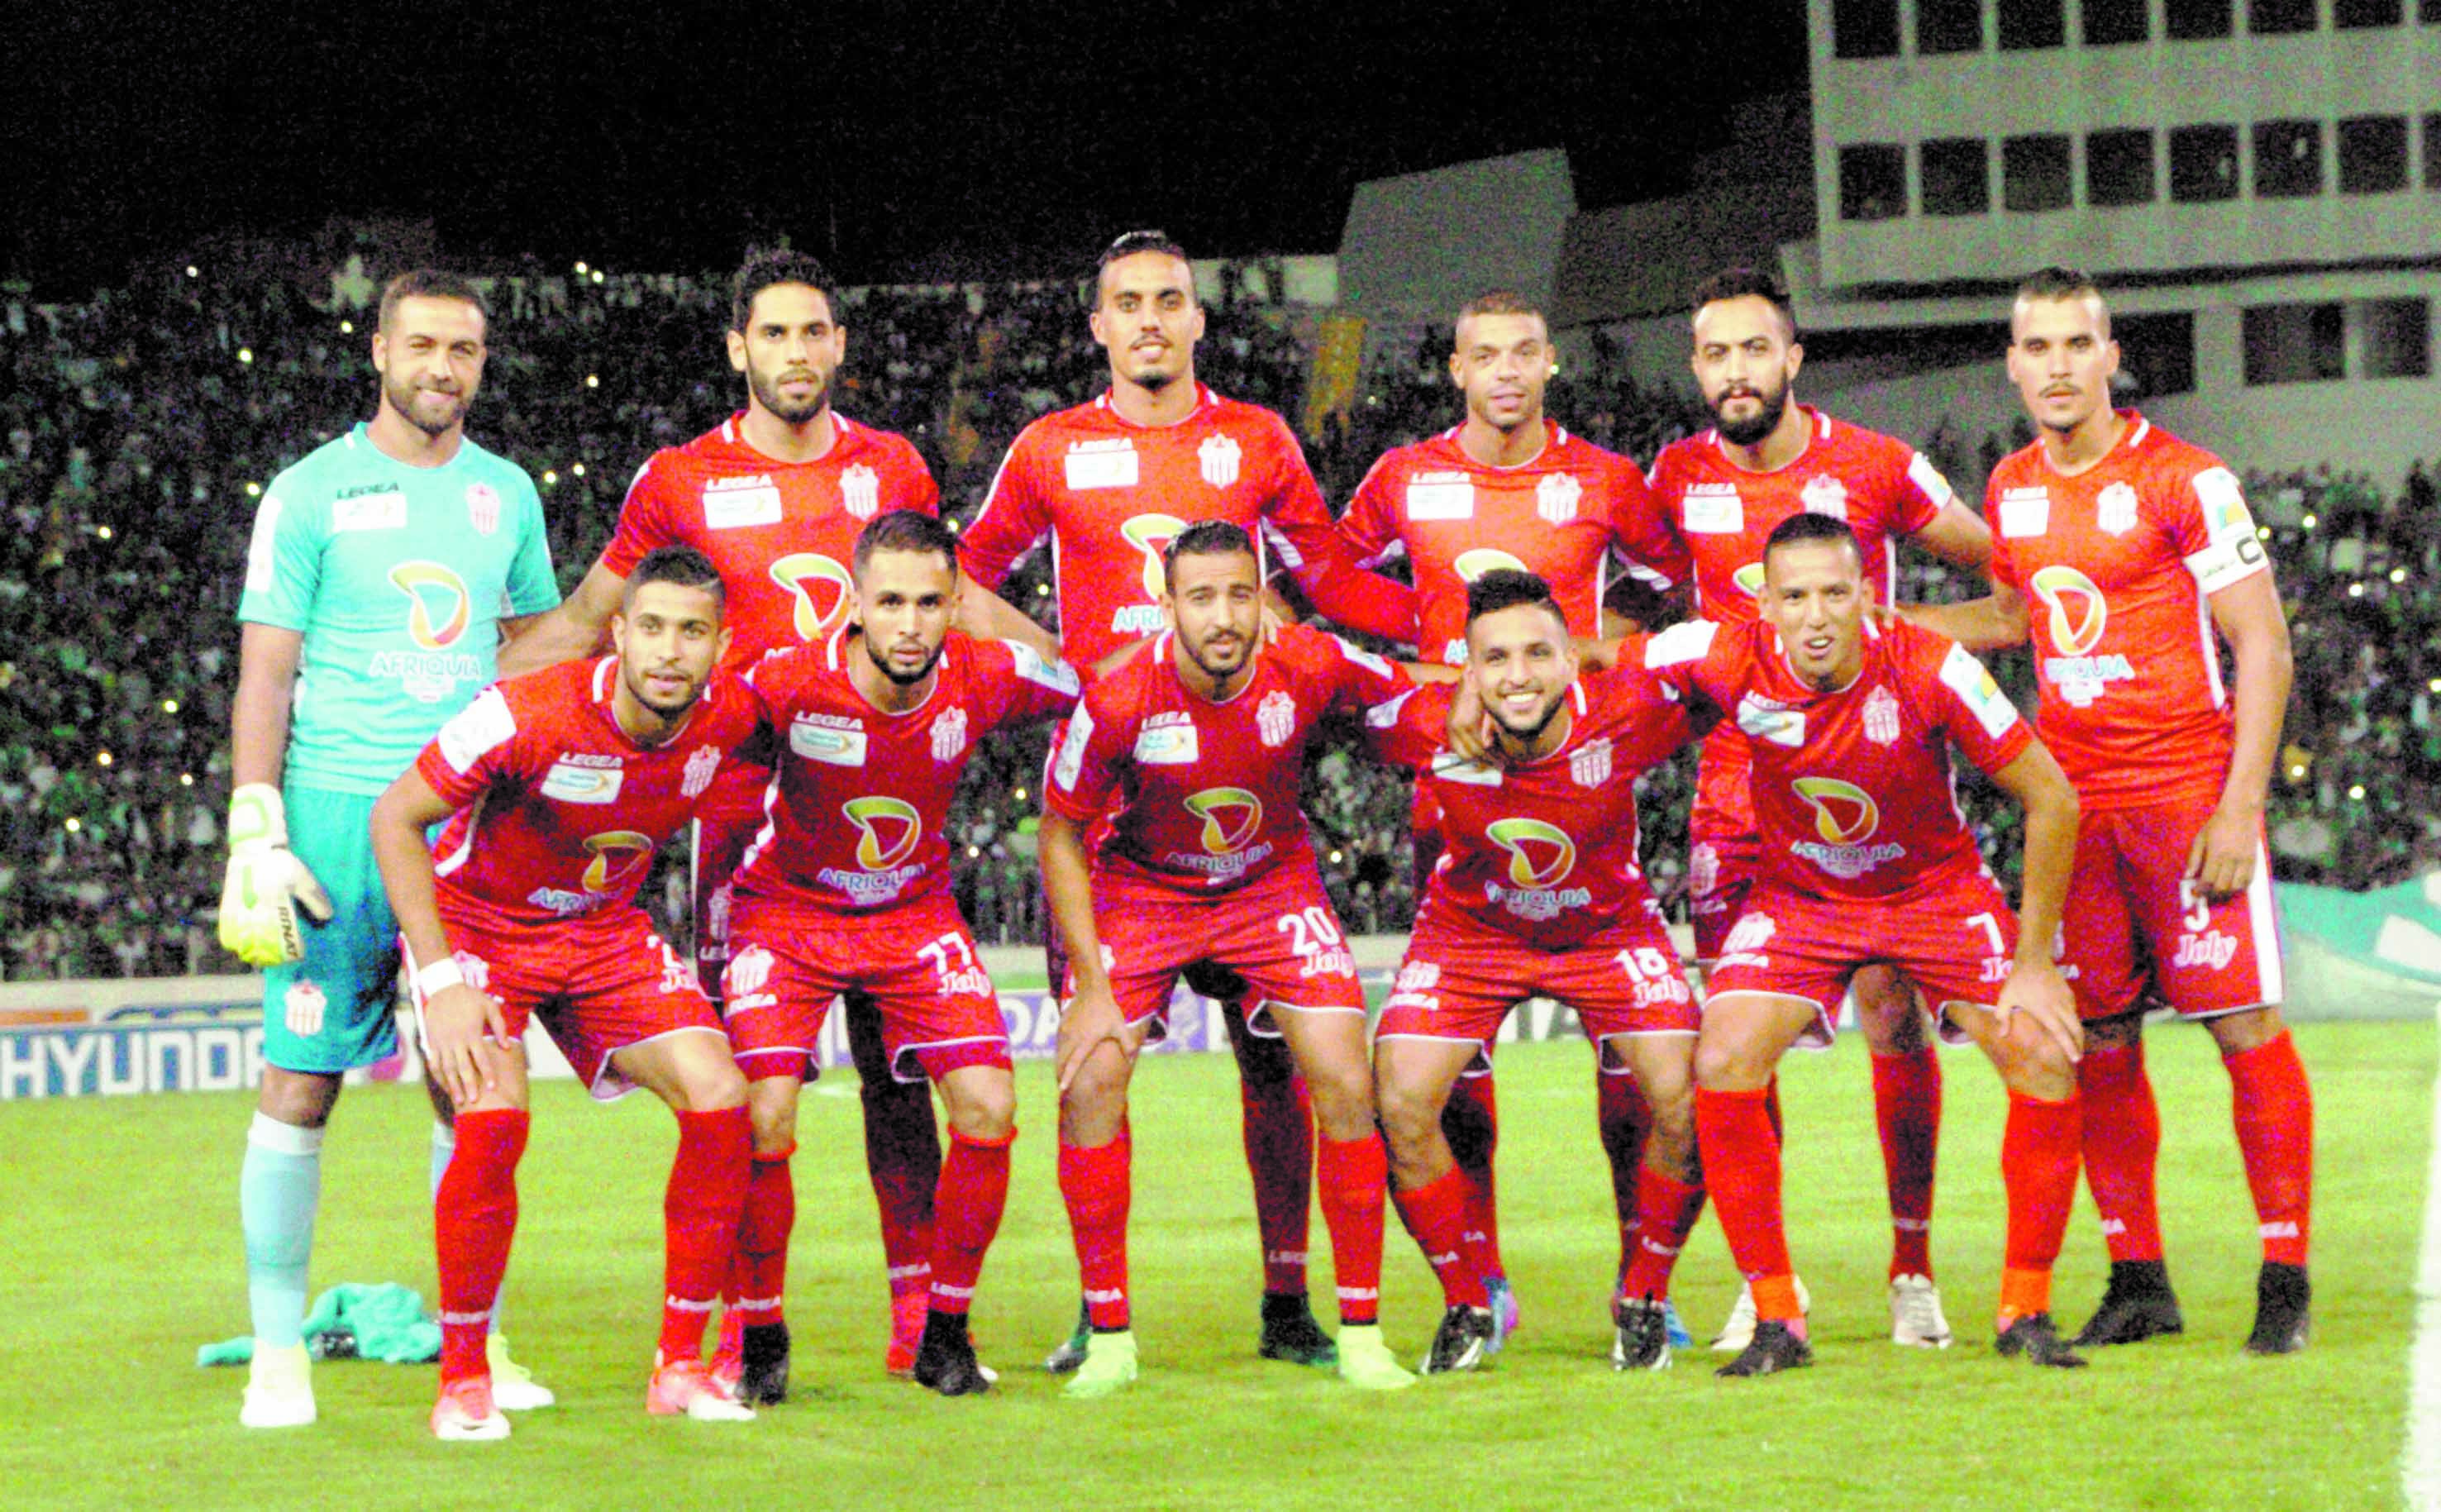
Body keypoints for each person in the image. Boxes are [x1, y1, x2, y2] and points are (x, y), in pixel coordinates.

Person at [498, 249, 1039, 1377]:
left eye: (814, 332)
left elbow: (948, 593)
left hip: (875, 797)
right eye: (774, 335)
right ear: (739, 349)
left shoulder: (889, 464)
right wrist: (471, 679)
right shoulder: (680, 479)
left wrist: (1060, 656)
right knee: (755, 1097)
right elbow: (599, 620)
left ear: (838, 344)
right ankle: (753, 1331)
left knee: (904, 1080)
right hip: (740, 819)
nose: (797, 352)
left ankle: (918, 1325)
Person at [960, 231, 1418, 1371]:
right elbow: (962, 579)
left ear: (1198, 321)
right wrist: (1062, 669)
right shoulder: (1051, 449)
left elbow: (1325, 578)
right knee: (1094, 1066)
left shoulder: (1255, 440)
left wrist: (1456, 618)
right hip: (1117, 815)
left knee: (1285, 1065)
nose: (1152, 318)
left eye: (1171, 299)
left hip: (1246, 800)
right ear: (1099, 326)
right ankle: (1098, 1310)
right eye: (1129, 303)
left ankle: (1287, 1301)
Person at [1905, 267, 2311, 1355]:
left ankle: (2284, 1278)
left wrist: (2239, 807)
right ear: (2011, 362)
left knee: (2244, 1031)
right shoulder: (2009, 488)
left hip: (2185, 803)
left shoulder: (2185, 478)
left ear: (2110, 354)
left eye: (2075, 345)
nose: (2055, 367)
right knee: (2100, 1046)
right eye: (2035, 347)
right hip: (2076, 814)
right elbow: (2010, 615)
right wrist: (1887, 622)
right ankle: (2139, 1274)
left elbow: (2261, 642)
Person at [219, 269, 561, 1429]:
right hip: (332, 820)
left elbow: (530, 656)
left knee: (474, 1090)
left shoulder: (507, 495)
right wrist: (255, 819)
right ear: (378, 350)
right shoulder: (311, 491)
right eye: (422, 345)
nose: (443, 368)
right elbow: (267, 665)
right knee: (299, 1082)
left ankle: (481, 1341)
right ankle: (278, 1353)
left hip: (467, 826)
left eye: (463, 349)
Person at [1640, 513, 2086, 1377]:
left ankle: (2024, 1306)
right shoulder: (1723, 653)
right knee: (1723, 1055)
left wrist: (2034, 965)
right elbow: (1595, 670)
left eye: (1834, 593)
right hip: (1801, 899)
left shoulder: (1929, 665)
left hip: (1932, 892)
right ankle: (1776, 1316)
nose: (1815, 615)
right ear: (1763, 603)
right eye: (1795, 595)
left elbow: (2053, 798)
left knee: (2043, 1054)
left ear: (1866, 596)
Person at [1642, 266, 1997, 1352]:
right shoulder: (1673, 477)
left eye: (1756, 349)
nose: (1736, 371)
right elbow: (1641, 619)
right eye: (1715, 353)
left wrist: (1904, 642)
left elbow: (2014, 585)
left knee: (1894, 1019)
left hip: (1880, 800)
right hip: (1733, 803)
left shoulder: (1880, 466)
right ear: (1697, 366)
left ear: (1793, 358)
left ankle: (1911, 1270)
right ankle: (1767, 1278)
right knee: (1738, 1049)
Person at [1337, 289, 1690, 1350]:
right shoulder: (1404, 476)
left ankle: (1645, 1291)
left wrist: (1595, 650)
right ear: (1454, 368)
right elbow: (1332, 579)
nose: (1503, 371)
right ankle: (1475, 1289)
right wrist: (1439, 658)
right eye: (1482, 355)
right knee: (1440, 1085)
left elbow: (1679, 586)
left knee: (1659, 1084)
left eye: (1523, 353)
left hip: (1585, 796)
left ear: (1549, 364)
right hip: (1459, 824)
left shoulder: (1606, 480)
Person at [370, 547, 761, 1438]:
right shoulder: (522, 712)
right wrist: (439, 983)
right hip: (479, 931)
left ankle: (680, 1365)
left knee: (720, 1096)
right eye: (651, 626)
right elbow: (394, 816)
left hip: (603, 934)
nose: (669, 650)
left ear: (719, 644)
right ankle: (464, 1380)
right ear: (617, 632)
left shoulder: (729, 717)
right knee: (495, 1115)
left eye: (692, 631)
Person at [1044, 521, 1420, 1397]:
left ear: (1261, 598)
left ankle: (1360, 1331)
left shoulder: (1308, 662)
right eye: (1201, 597)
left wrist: (1485, 692)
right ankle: (1107, 1335)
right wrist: (1091, 985)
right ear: (1167, 604)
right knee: (1092, 1075)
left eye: (1239, 593)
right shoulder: (1119, 698)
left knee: (1342, 1072)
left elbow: (1403, 693)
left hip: (1270, 884)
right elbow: (1061, 833)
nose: (1223, 615)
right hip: (1144, 888)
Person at [719, 510, 1083, 1398]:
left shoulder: (987, 673)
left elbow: (1099, 689)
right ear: (853, 603)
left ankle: (942, 1331)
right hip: (788, 914)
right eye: (889, 602)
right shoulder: (782, 684)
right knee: (763, 1116)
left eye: (929, 602)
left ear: (957, 603)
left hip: (914, 916)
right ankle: (759, 1335)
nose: (910, 623)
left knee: (991, 1107)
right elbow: (681, 737)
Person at [1366, 570, 1705, 1374]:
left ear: (1571, 657)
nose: (1517, 675)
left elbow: (1725, 652)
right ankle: (1464, 1300)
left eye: (1536, 653)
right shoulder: (1427, 726)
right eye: (1495, 659)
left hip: (1607, 929)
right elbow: (1328, 684)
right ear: (1468, 670)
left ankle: (1644, 1297)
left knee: (1690, 1097)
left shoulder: (1626, 708)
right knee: (1400, 1098)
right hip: (1469, 934)